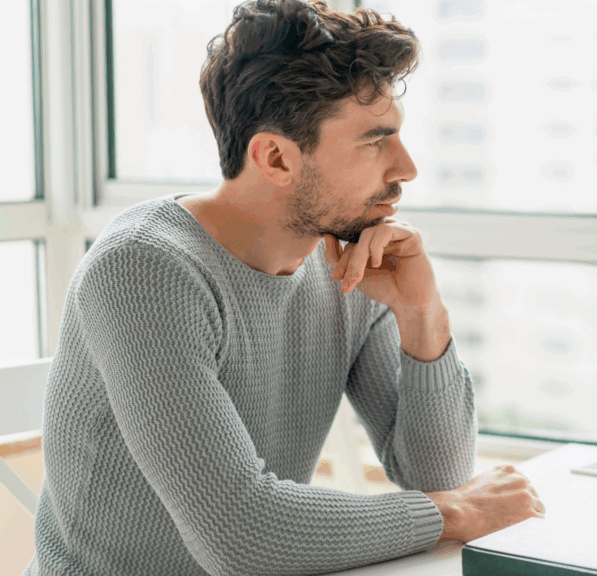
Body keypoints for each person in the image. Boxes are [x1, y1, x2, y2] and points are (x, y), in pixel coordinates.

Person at [23, 1, 545, 575]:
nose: (407, 168)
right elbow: (243, 535)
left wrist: (424, 316)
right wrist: (454, 514)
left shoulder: (344, 264)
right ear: (274, 157)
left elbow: (437, 478)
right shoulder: (144, 270)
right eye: (375, 142)